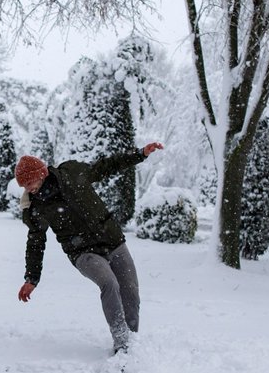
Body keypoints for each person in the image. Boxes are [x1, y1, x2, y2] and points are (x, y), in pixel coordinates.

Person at [16, 142, 165, 355]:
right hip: (82, 253)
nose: (28, 188)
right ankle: (122, 344)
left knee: (130, 290)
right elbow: (35, 242)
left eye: (30, 182)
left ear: (42, 173)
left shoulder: (72, 173)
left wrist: (140, 154)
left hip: (112, 240)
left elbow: (106, 166)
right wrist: (32, 278)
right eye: (24, 185)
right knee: (109, 283)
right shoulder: (35, 208)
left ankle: (133, 341)